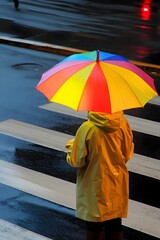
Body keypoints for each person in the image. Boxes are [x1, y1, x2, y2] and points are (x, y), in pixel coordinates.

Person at [66, 111, 134, 240]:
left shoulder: (87, 128)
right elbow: (128, 153)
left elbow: (76, 161)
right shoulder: (123, 123)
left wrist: (71, 147)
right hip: (116, 184)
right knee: (114, 222)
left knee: (94, 225)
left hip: (94, 186)